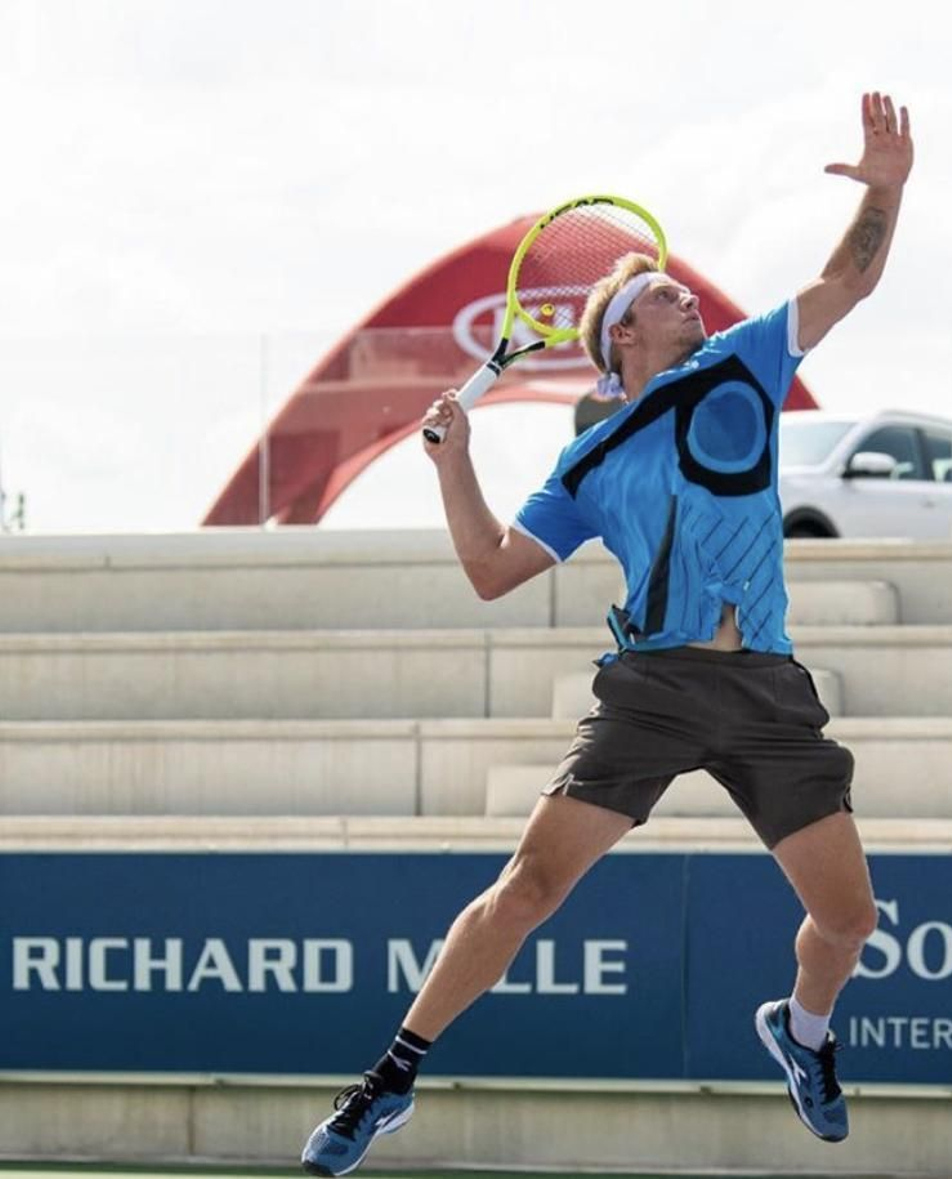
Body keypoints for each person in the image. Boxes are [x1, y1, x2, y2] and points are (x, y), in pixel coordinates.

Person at [301, 91, 913, 1177]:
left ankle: (803, 1032)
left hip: (767, 688)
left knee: (851, 922)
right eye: (663, 290)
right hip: (651, 689)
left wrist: (885, 187)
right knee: (527, 888)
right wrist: (456, 466)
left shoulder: (741, 364)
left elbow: (852, 278)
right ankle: (386, 1080)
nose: (689, 291)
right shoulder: (584, 466)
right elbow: (493, 570)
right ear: (622, 333)